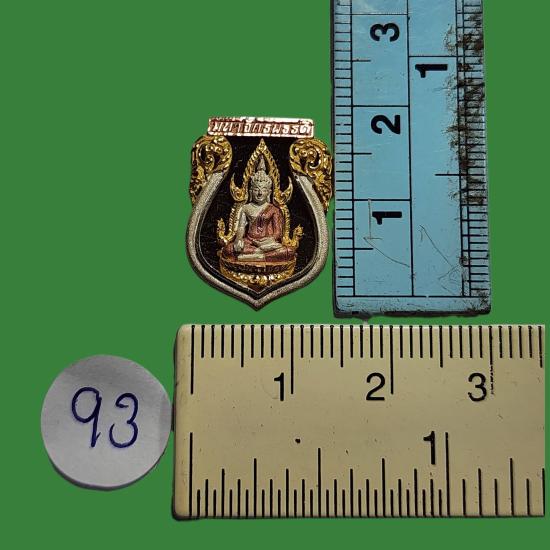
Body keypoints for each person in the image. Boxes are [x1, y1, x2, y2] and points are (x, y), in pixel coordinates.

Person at [222, 156, 296, 263]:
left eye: (264, 190)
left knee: (288, 251)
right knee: (228, 250)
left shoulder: (274, 209)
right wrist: (238, 240)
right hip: (249, 242)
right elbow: (241, 227)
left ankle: (250, 257)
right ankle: (261, 256)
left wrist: (269, 240)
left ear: (269, 192)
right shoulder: (246, 208)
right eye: (256, 189)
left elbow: (278, 232)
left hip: (267, 244)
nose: (260, 193)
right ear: (251, 191)